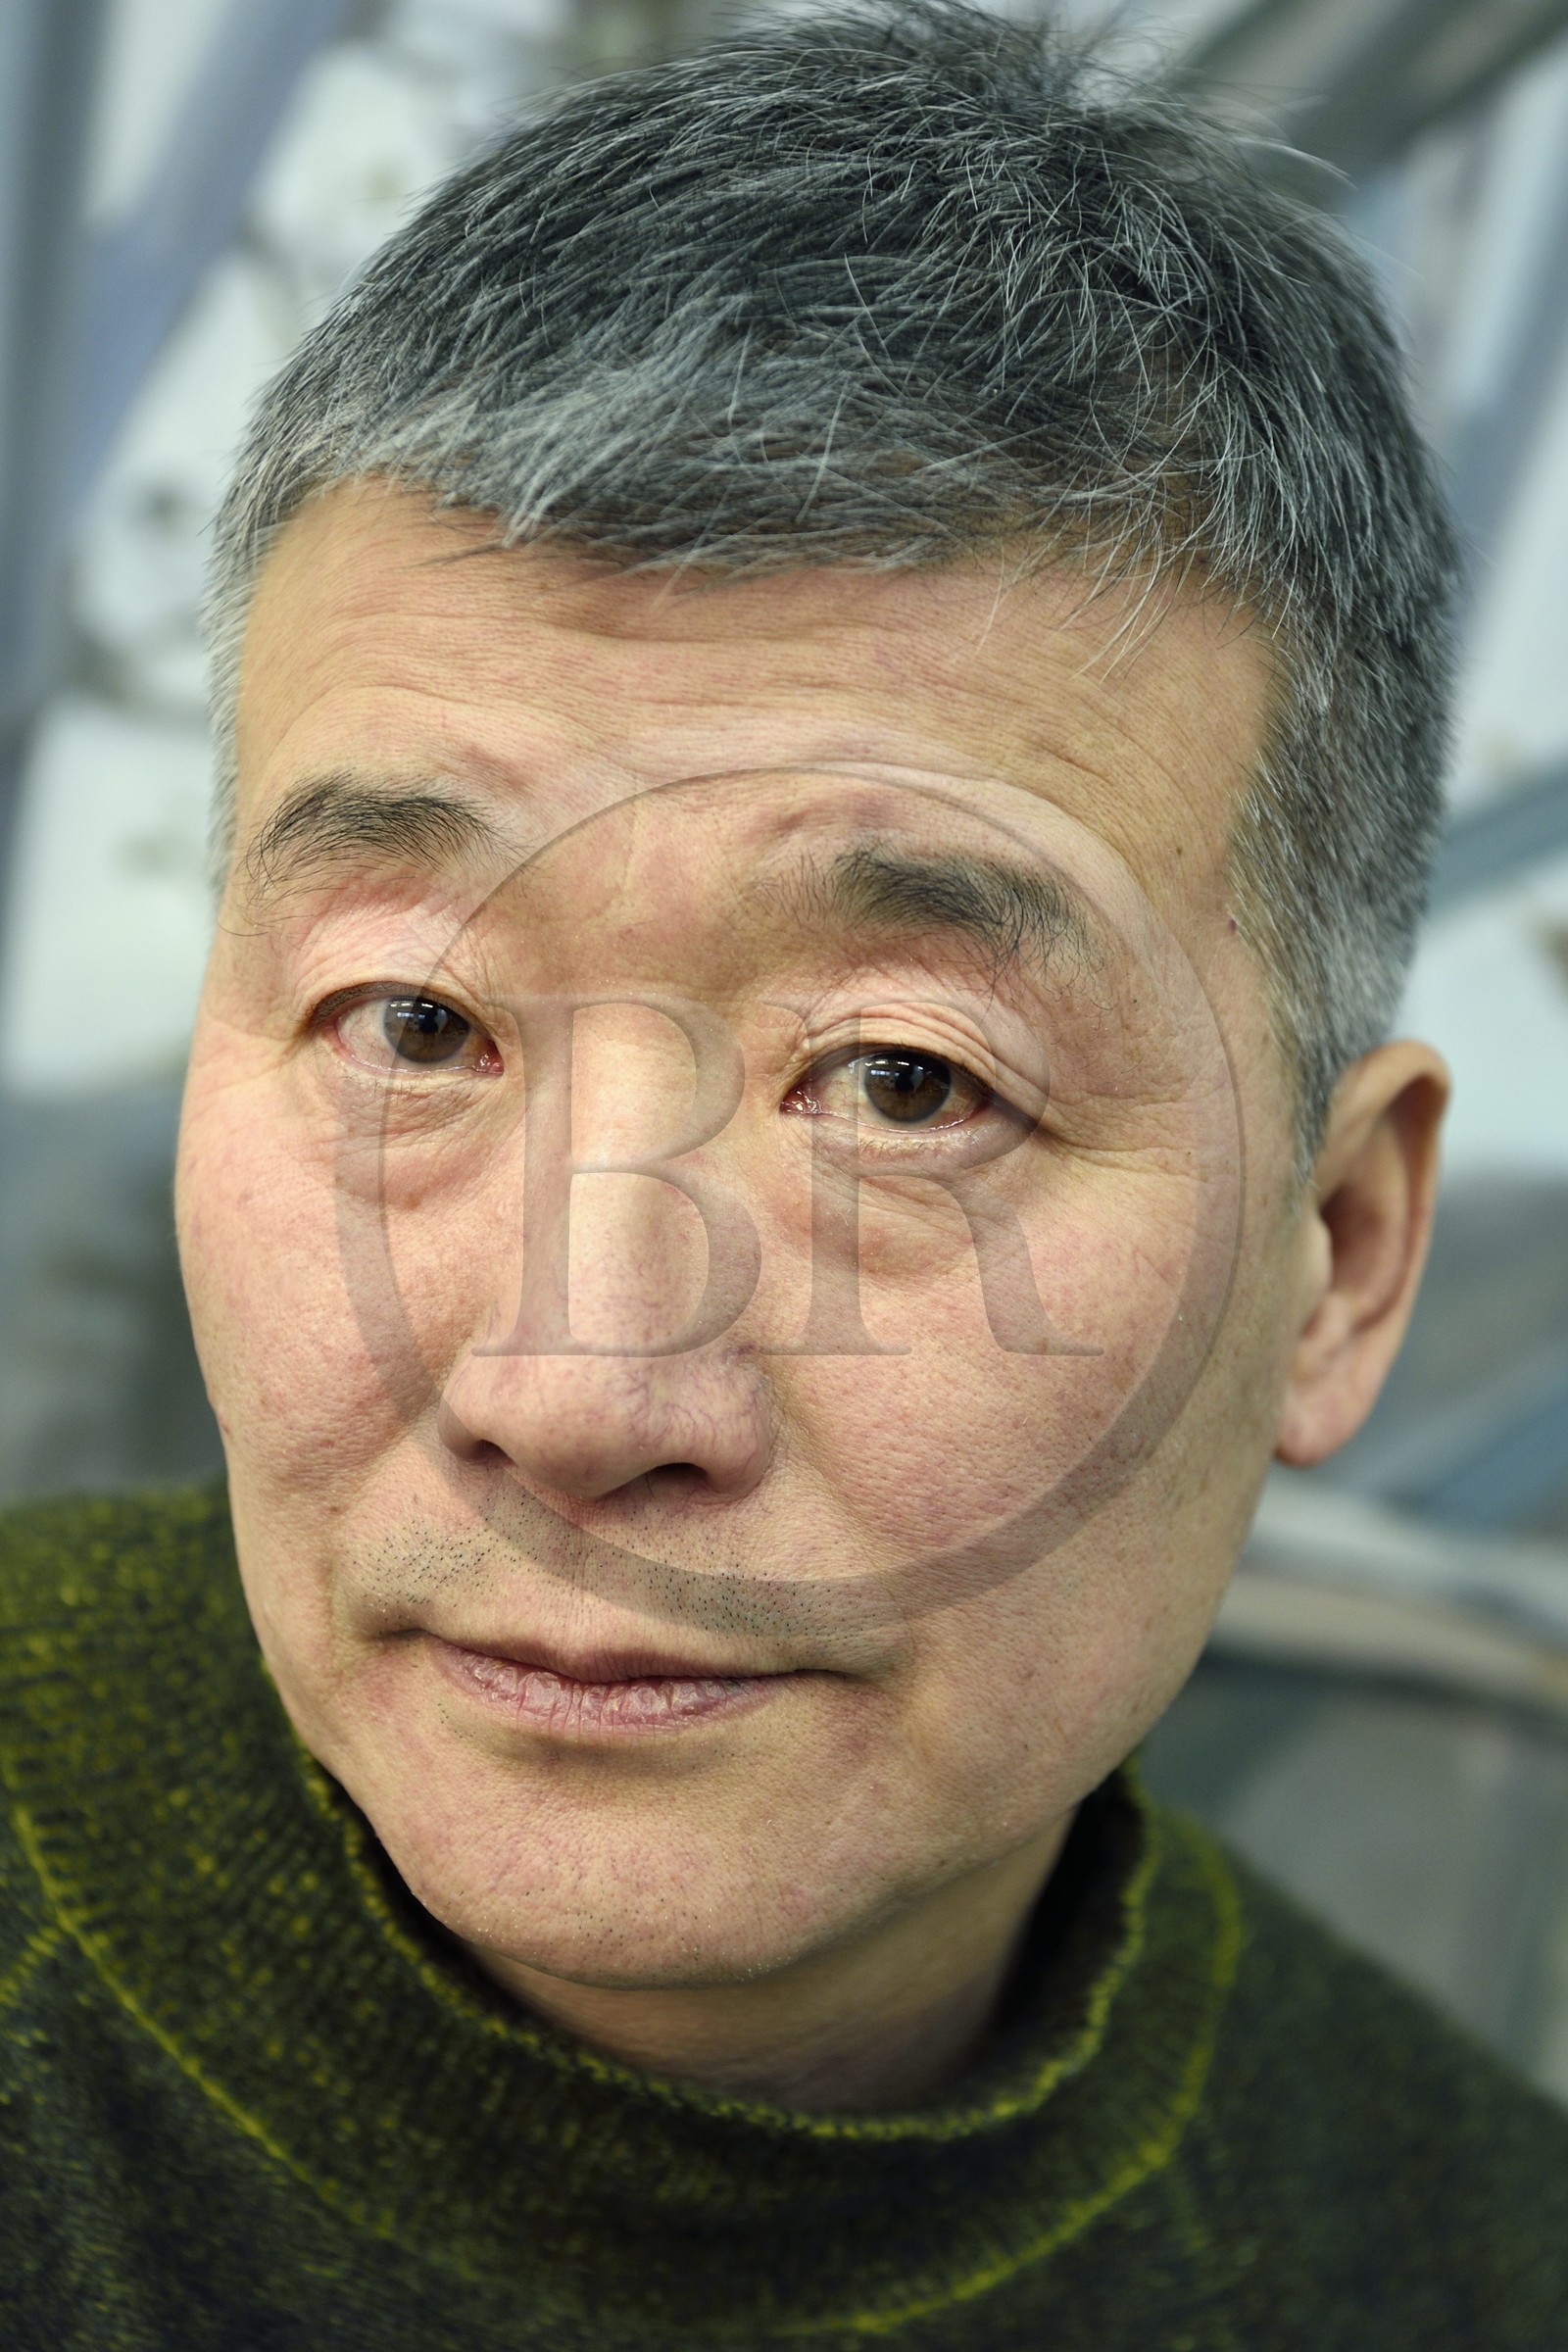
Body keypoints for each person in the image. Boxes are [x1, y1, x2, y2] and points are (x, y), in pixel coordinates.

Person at [4, 4, 1565, 2343]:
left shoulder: (1450, 2259)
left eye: (906, 1086)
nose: (572, 1381)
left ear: (1335, 1262)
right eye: (414, 1026)